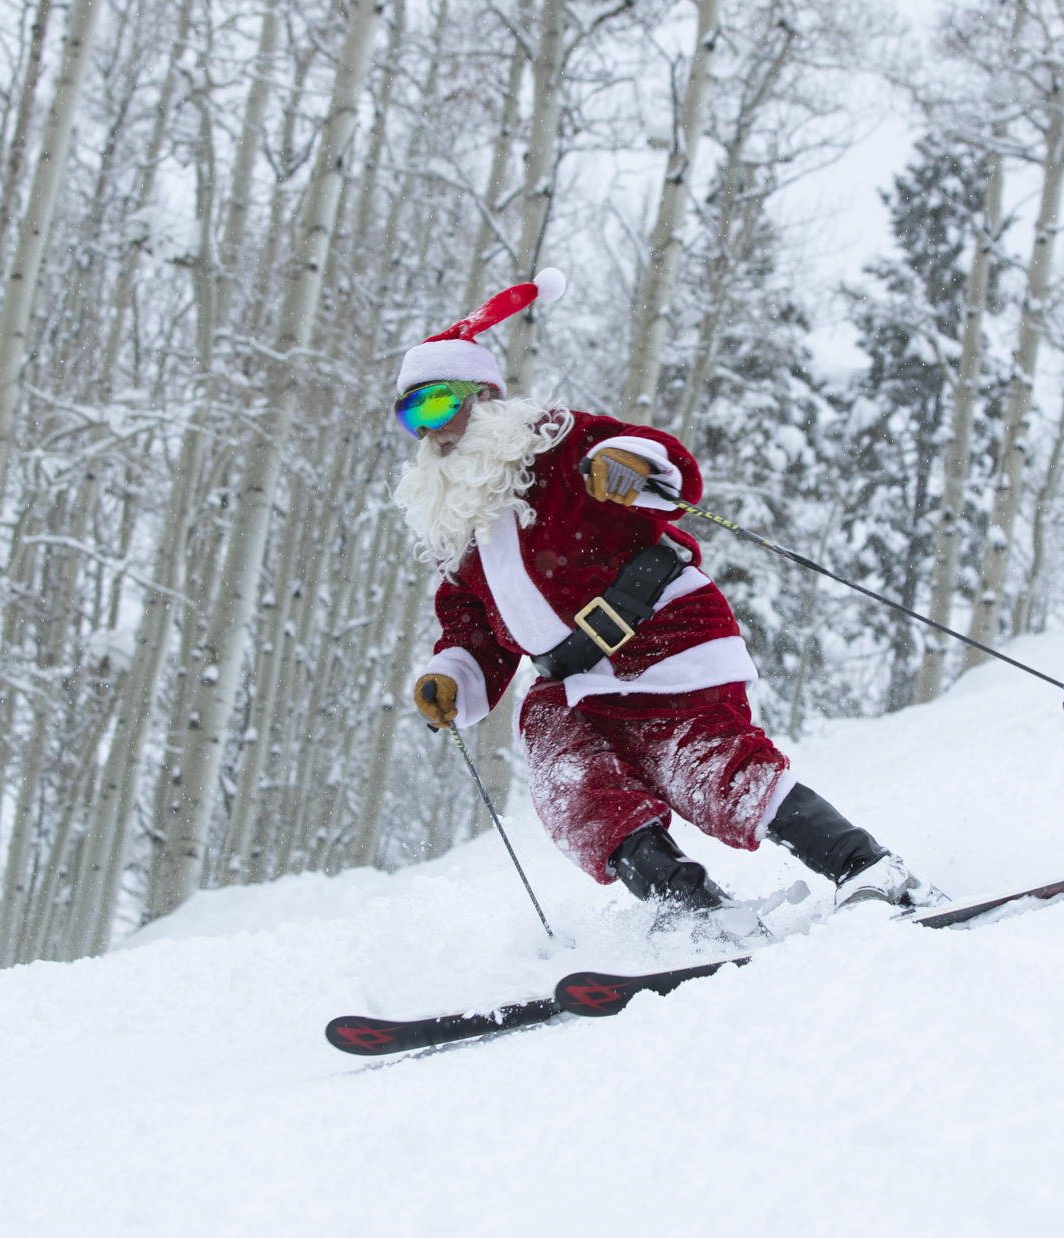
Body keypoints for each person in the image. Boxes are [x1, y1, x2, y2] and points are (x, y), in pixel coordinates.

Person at [391, 270, 945, 936]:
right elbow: (472, 630)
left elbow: (661, 459)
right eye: (411, 417)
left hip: (662, 637)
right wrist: (450, 676)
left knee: (707, 770)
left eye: (437, 406)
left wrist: (627, 463)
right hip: (570, 686)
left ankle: (871, 868)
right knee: (577, 792)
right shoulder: (460, 534)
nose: (432, 434)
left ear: (484, 396)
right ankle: (694, 910)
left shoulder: (557, 443)